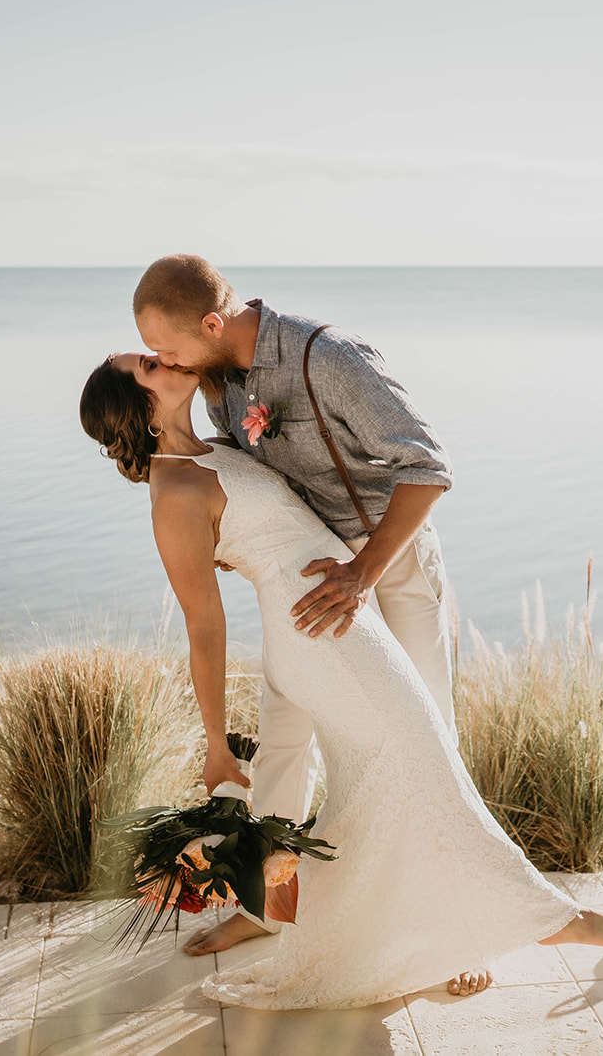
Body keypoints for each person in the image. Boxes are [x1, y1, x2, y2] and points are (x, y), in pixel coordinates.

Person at [80, 353, 603, 1009]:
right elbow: (204, 627)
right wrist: (214, 743)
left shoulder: (212, 444)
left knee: (382, 785)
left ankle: (363, 929)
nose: (162, 356)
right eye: (147, 363)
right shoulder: (174, 492)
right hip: (316, 636)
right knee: (423, 760)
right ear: (138, 405)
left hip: (340, 620)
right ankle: (547, 919)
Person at [130, 254, 458, 959]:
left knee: (427, 734)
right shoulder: (218, 385)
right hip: (309, 576)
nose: (163, 359)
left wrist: (364, 571)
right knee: (283, 735)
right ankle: (266, 904)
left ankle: (453, 935)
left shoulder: (329, 357)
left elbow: (428, 468)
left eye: (168, 348)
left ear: (213, 323)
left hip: (388, 565)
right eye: (153, 354)